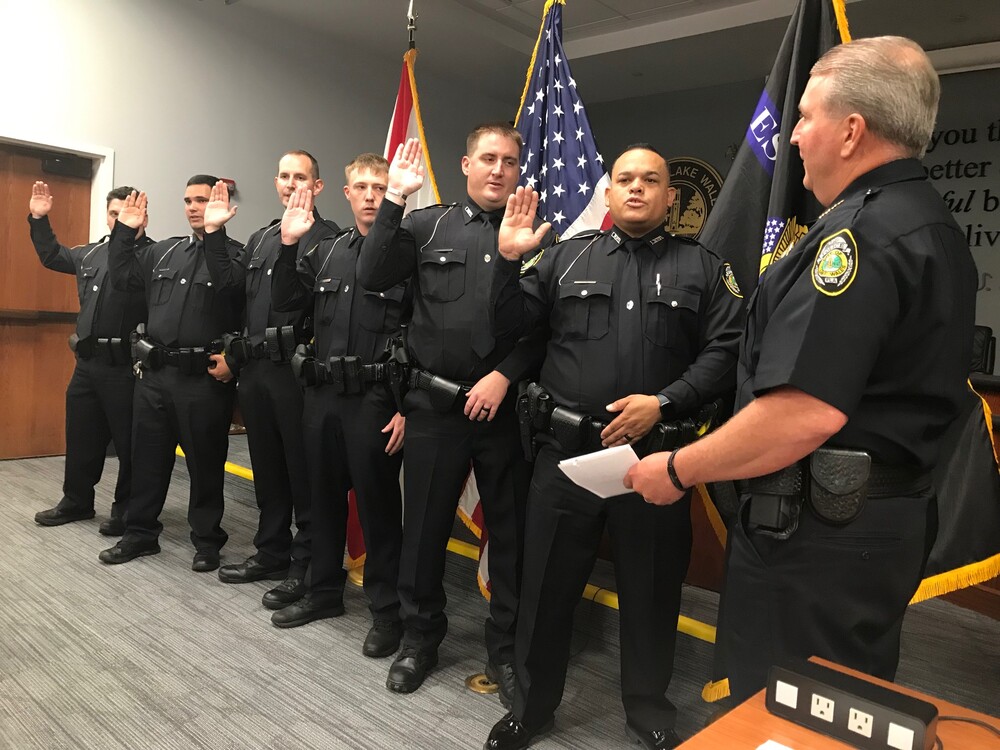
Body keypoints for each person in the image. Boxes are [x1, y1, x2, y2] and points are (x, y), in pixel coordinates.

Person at [626, 36, 977, 704]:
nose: (791, 137)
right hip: (864, 529)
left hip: (819, 537)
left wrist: (676, 470)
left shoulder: (858, 240)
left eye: (805, 117)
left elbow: (802, 412)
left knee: (783, 712)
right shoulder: (922, 221)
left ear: (851, 131)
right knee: (838, 707)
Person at [483, 145, 744, 750]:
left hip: (654, 462)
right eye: (623, 179)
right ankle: (532, 708)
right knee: (545, 589)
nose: (635, 188)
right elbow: (508, 330)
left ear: (669, 198)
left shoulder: (703, 268)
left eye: (650, 180)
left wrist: (667, 401)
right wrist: (506, 263)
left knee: (652, 593)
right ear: (606, 193)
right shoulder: (563, 261)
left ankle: (648, 710)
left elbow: (726, 352)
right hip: (566, 457)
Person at [358, 128, 557, 696]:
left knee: (510, 535)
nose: (499, 169)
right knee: (421, 532)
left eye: (511, 161)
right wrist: (396, 197)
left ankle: (505, 649)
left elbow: (545, 327)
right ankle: (421, 639)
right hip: (436, 409)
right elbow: (372, 275)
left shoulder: (543, 235)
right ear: (466, 163)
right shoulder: (425, 226)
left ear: (520, 170)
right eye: (489, 159)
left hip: (504, 410)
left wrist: (503, 375)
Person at [269, 153, 407, 657]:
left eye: (380, 186)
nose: (370, 195)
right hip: (322, 395)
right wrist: (289, 245)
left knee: (378, 510)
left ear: (393, 193)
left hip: (375, 399)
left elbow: (422, 336)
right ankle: (324, 592)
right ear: (346, 194)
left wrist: (406, 406)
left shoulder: (406, 254)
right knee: (321, 502)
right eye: (362, 187)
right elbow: (287, 302)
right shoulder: (325, 252)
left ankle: (387, 613)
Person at [98, 176, 245, 572]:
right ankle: (140, 534)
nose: (194, 207)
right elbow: (122, 277)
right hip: (155, 375)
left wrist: (215, 234)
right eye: (188, 200)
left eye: (202, 200)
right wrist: (125, 232)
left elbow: (232, 293)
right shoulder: (163, 252)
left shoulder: (235, 256)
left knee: (205, 464)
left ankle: (208, 540)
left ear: (222, 202)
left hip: (202, 379)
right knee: (147, 459)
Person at [214, 151, 339, 611]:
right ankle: (271, 553)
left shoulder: (330, 240)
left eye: (301, 176)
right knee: (266, 470)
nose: (291, 184)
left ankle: (306, 566)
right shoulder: (261, 237)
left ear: (318, 186)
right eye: (285, 176)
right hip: (256, 371)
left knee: (302, 475)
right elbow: (236, 299)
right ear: (276, 182)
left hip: (297, 375)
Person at [28, 183, 154, 536]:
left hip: (124, 367)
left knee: (130, 445)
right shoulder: (91, 253)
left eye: (127, 214)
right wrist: (39, 219)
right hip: (86, 365)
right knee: (81, 435)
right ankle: (77, 500)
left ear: (144, 216)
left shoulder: (152, 257)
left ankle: (126, 511)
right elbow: (53, 255)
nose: (120, 220)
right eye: (114, 214)